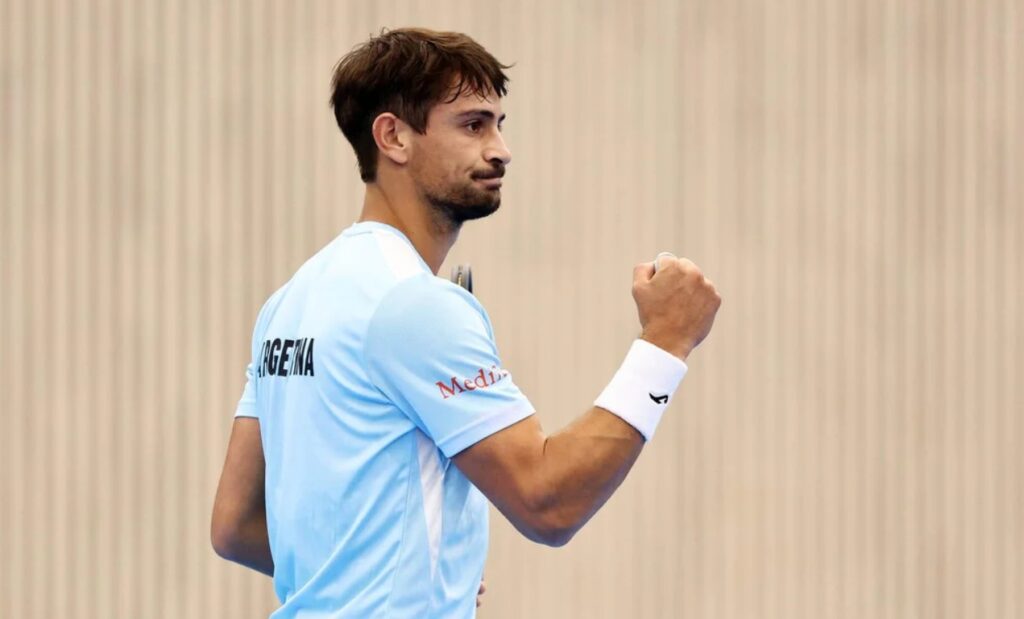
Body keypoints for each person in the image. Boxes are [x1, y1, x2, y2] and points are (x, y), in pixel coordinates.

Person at [211, 27, 721, 618]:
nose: (501, 150)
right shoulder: (414, 303)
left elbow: (236, 525)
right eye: (473, 125)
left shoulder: (289, 302)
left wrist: (415, 572)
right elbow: (548, 503)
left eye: (499, 124)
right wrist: (664, 342)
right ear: (393, 136)